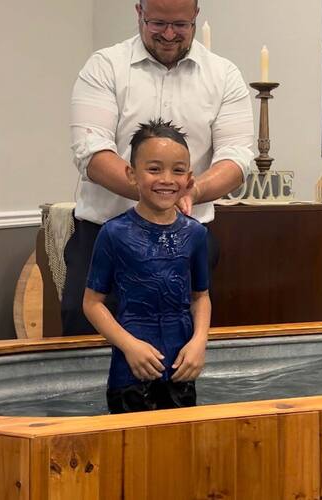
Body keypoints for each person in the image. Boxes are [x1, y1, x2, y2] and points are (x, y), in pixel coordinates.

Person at [62, 0, 253, 334]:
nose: (168, 34)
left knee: (180, 344)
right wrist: (155, 192)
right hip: (104, 237)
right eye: (158, 24)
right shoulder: (104, 67)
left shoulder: (224, 75)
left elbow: (237, 157)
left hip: (187, 239)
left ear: (196, 16)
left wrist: (193, 190)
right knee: (87, 346)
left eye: (180, 25)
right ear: (139, 12)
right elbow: (90, 152)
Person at [83, 119, 211, 413]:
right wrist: (130, 346)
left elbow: (200, 297)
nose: (166, 179)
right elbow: (92, 303)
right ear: (132, 174)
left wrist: (199, 343)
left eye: (177, 170)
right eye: (154, 169)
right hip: (131, 371)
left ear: (189, 178)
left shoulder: (195, 234)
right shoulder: (114, 233)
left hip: (181, 368)